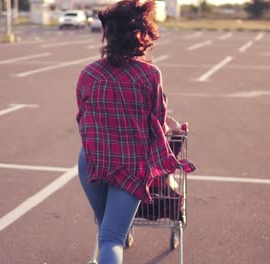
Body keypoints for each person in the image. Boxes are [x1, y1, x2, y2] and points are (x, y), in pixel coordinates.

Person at [75, 0, 196, 263]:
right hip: (130, 166)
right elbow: (158, 123)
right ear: (141, 36)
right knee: (111, 239)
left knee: (106, 227)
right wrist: (173, 127)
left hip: (93, 162)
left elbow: (83, 118)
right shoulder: (149, 75)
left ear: (108, 36)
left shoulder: (89, 74)